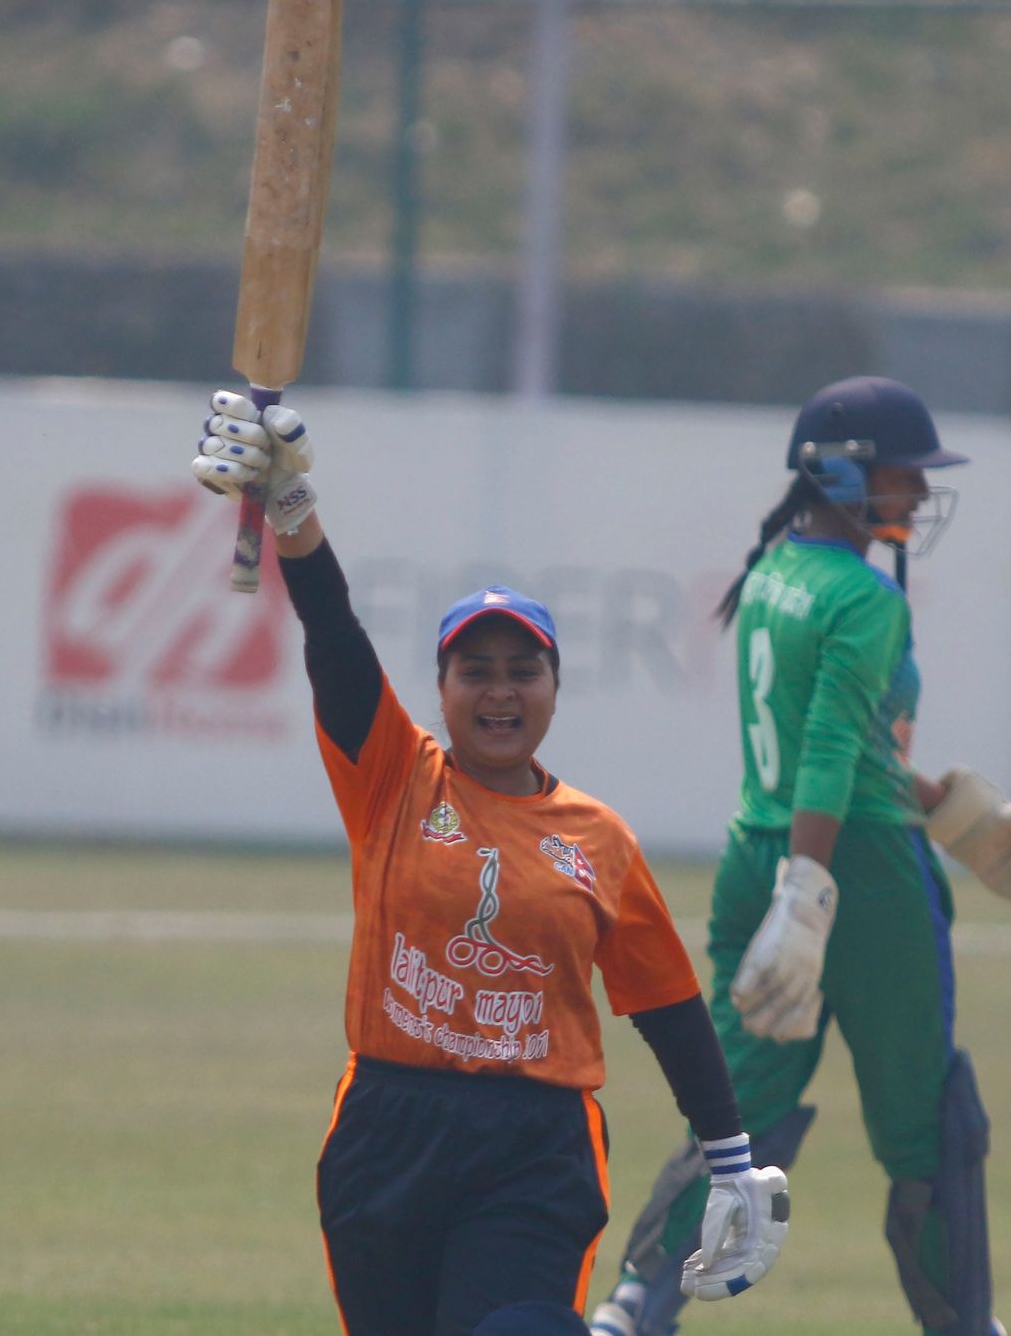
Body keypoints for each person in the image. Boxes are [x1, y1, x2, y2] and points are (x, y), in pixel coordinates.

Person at [191, 391, 789, 1336]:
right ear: (442, 689)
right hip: (388, 1130)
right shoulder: (393, 777)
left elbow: (668, 1007)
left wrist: (729, 1157)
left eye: (522, 670)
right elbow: (335, 638)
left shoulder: (598, 838)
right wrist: (292, 513)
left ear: (554, 687)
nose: (500, 691)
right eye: (476, 671)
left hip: (534, 1145)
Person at [586, 376, 1011, 1336]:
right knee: (926, 1120)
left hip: (757, 852)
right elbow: (826, 745)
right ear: (843, 473)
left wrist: (946, 809)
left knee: (736, 1108)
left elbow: (841, 742)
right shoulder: (864, 594)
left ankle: (634, 1303)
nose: (921, 492)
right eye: (905, 472)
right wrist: (813, 888)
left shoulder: (776, 570)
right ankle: (963, 1323)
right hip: (852, 872)